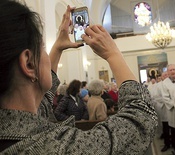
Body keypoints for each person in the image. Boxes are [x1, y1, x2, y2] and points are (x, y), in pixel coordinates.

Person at [0, 1, 157, 154]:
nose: (47, 56)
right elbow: (141, 118)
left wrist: (57, 47)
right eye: (42, 47)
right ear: (29, 63)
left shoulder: (12, 127)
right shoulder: (53, 147)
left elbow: (42, 103)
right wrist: (113, 54)